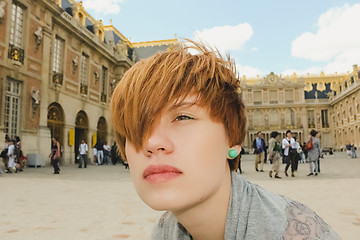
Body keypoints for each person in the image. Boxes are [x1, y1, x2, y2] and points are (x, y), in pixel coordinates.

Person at [110, 40, 339, 239]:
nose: (150, 142)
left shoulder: (297, 233)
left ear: (232, 141)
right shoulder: (163, 231)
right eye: (135, 126)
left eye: (182, 117)